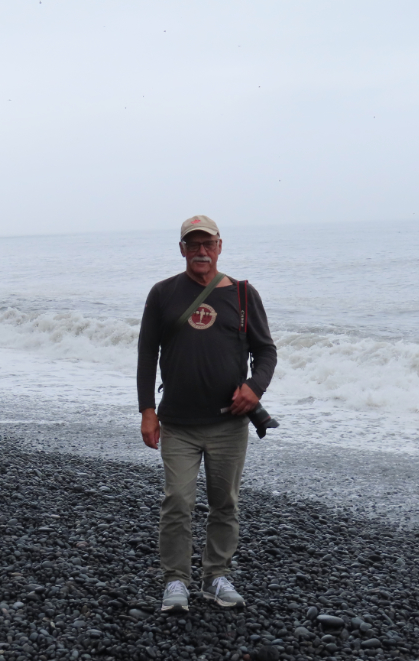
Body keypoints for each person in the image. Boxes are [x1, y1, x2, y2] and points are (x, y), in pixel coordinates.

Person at [137, 214, 277, 613]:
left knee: (225, 503)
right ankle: (175, 581)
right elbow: (147, 354)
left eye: (207, 244)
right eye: (192, 244)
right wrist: (148, 410)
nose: (201, 251)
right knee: (178, 501)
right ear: (182, 249)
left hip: (229, 424)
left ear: (219, 246)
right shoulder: (162, 294)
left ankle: (217, 575)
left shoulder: (245, 295)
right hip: (178, 423)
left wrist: (255, 387)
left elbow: (266, 351)